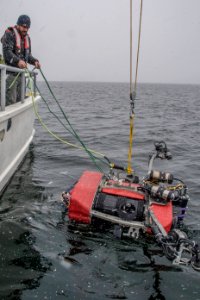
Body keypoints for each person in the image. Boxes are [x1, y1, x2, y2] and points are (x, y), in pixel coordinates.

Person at [1, 15, 41, 105]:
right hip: (10, 75)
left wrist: (35, 61)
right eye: (23, 26)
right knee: (10, 103)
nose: (25, 29)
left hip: (21, 75)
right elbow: (7, 52)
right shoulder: (9, 33)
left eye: (27, 27)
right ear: (18, 25)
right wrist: (18, 61)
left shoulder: (27, 38)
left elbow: (28, 55)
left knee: (20, 101)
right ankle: (9, 119)